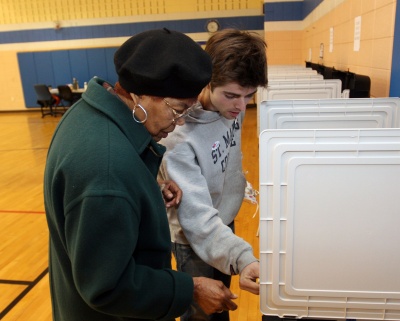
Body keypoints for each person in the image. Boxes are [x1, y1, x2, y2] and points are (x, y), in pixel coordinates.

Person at [44, 28, 238, 321]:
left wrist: (145, 189)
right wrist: (190, 290)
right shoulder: (107, 172)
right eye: (178, 110)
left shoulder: (87, 115)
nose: (178, 123)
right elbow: (107, 287)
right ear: (140, 95)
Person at [159, 28, 268, 321]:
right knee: (201, 315)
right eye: (232, 95)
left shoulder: (234, 106)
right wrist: (243, 258)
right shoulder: (179, 136)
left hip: (223, 221)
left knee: (221, 308)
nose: (242, 106)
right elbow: (197, 220)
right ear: (207, 81)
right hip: (193, 235)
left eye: (250, 95)